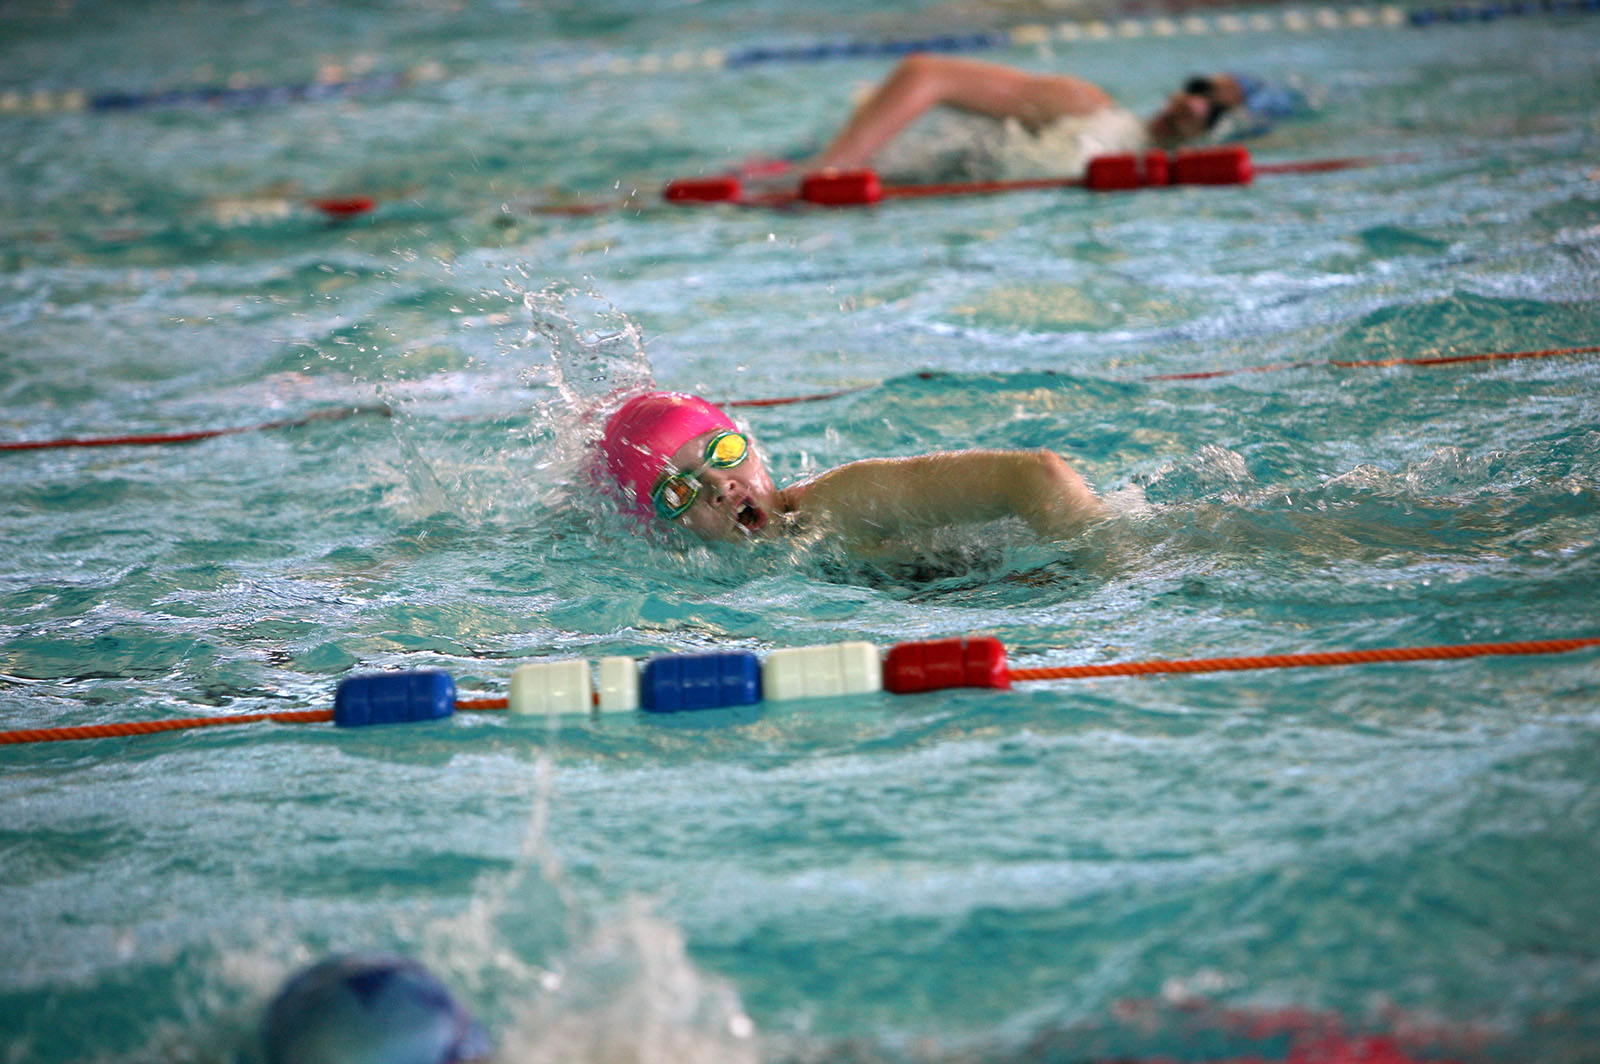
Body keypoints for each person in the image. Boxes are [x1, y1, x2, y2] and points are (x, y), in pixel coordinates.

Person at [597, 391, 1106, 548]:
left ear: (754, 450)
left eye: (723, 451)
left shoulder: (837, 504)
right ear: (659, 526)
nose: (719, 485)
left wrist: (1101, 572)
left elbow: (1037, 477)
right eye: (676, 490)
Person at [800, 54, 1275, 181]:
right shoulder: (1085, 107)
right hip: (829, 174)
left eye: (1216, 111)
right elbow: (925, 73)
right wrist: (827, 169)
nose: (1194, 105)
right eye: (1198, 88)